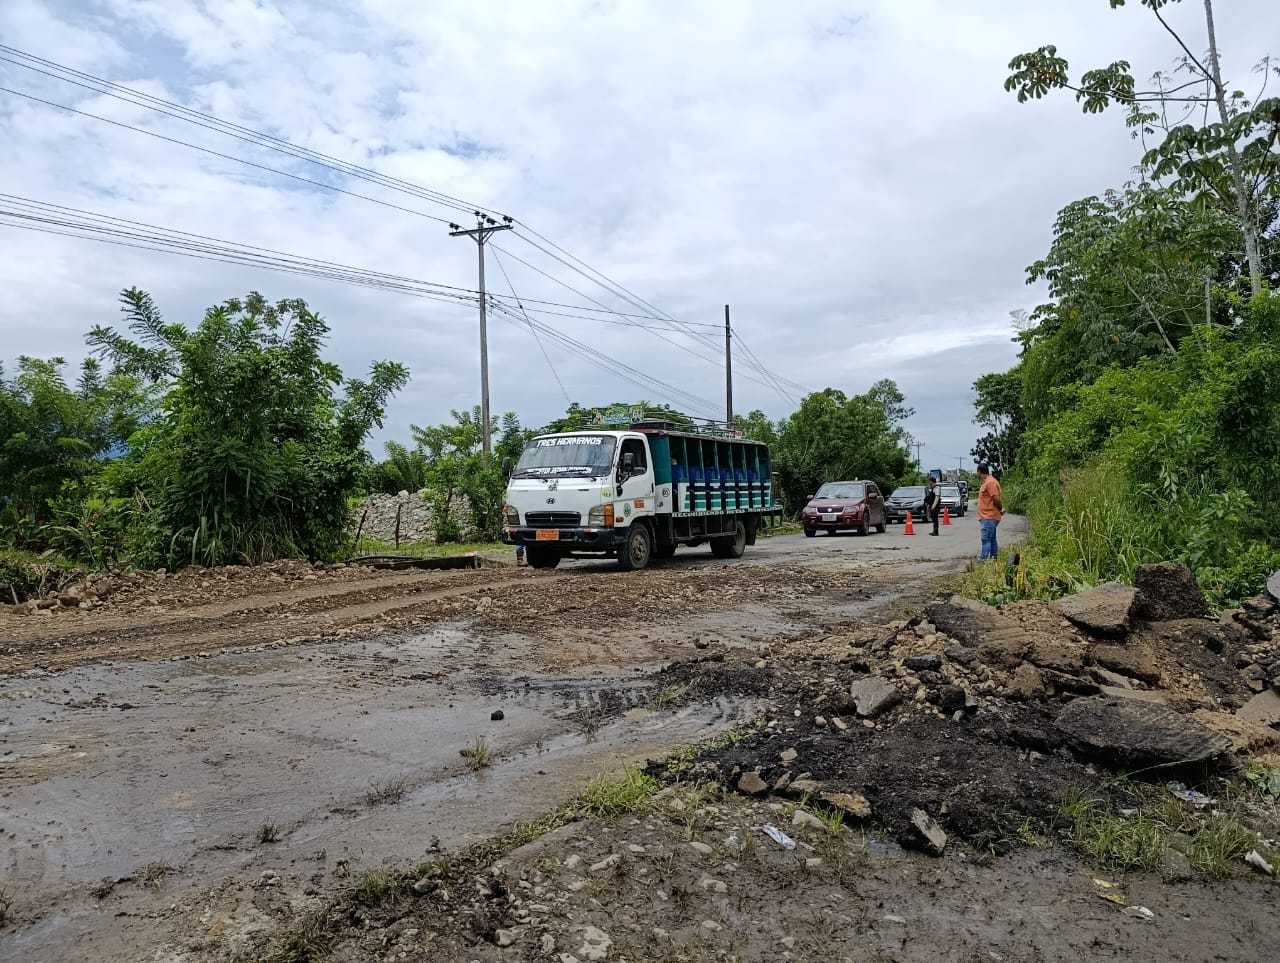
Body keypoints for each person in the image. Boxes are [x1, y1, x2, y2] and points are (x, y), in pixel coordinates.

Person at [976, 463, 1004, 561]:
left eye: (977, 471)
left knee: (986, 539)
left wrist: (1001, 509)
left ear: (979, 471)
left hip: (989, 516)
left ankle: (983, 559)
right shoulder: (987, 482)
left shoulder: (990, 483)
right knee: (991, 539)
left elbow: (996, 498)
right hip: (988, 516)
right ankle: (993, 559)